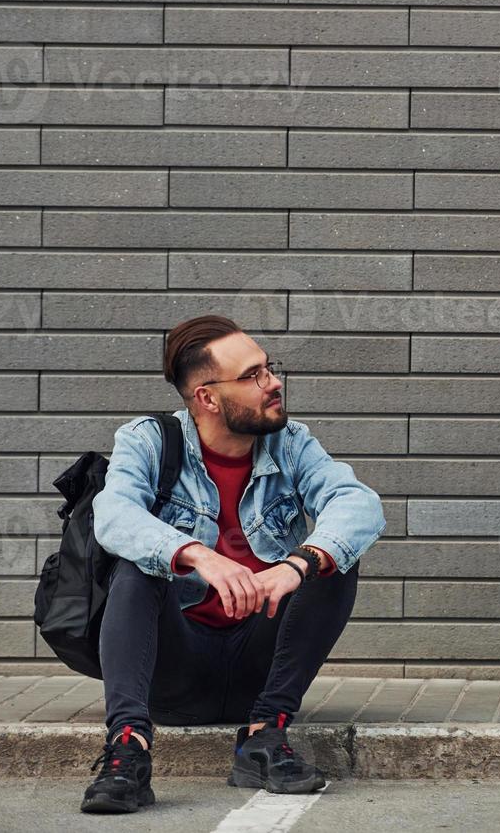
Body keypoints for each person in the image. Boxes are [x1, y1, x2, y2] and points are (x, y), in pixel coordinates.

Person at [80, 315, 385, 813]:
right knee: (139, 565)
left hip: (258, 671)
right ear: (206, 397)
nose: (274, 383)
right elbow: (112, 516)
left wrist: (296, 563)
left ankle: (265, 737)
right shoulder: (149, 441)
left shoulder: (290, 444)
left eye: (269, 369)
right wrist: (196, 554)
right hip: (171, 670)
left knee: (332, 558)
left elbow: (359, 503)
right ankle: (128, 749)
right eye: (253, 376)